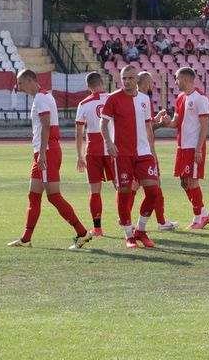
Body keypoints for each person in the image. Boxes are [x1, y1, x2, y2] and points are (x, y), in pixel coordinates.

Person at [8, 69, 92, 249]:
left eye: (21, 83)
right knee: (34, 195)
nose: (19, 87)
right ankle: (26, 238)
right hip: (42, 151)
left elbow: (47, 127)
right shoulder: (42, 97)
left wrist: (43, 154)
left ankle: (82, 233)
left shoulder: (41, 98)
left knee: (53, 196)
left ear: (30, 81)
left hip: (47, 152)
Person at [100, 65, 161, 248]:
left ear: (137, 80)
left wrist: (152, 150)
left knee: (153, 191)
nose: (126, 81)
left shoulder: (144, 100)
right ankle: (128, 234)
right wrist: (109, 143)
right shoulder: (113, 99)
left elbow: (148, 127)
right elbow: (103, 124)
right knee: (124, 192)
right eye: (123, 78)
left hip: (143, 153)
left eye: (130, 78)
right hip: (122, 154)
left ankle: (141, 230)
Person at [158, 67, 209, 229]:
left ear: (186, 79)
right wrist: (166, 121)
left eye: (177, 79)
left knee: (192, 181)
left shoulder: (200, 98)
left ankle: (198, 218)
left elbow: (204, 126)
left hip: (193, 147)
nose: (175, 82)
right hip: (182, 146)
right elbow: (176, 123)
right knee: (184, 182)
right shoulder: (180, 97)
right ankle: (204, 213)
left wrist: (198, 149)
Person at [137, 72, 179, 230]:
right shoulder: (143, 100)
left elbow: (143, 124)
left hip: (137, 149)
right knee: (154, 186)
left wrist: (155, 119)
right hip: (145, 150)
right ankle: (160, 222)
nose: (154, 86)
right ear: (147, 83)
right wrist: (161, 123)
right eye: (152, 83)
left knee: (133, 187)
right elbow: (145, 128)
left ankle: (125, 218)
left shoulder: (135, 99)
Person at [75, 72, 113, 236]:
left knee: (95, 190)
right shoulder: (112, 98)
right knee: (121, 187)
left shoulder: (83, 103)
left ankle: (97, 228)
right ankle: (126, 222)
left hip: (93, 150)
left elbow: (79, 132)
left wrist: (79, 155)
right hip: (113, 147)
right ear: (102, 82)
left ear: (88, 86)